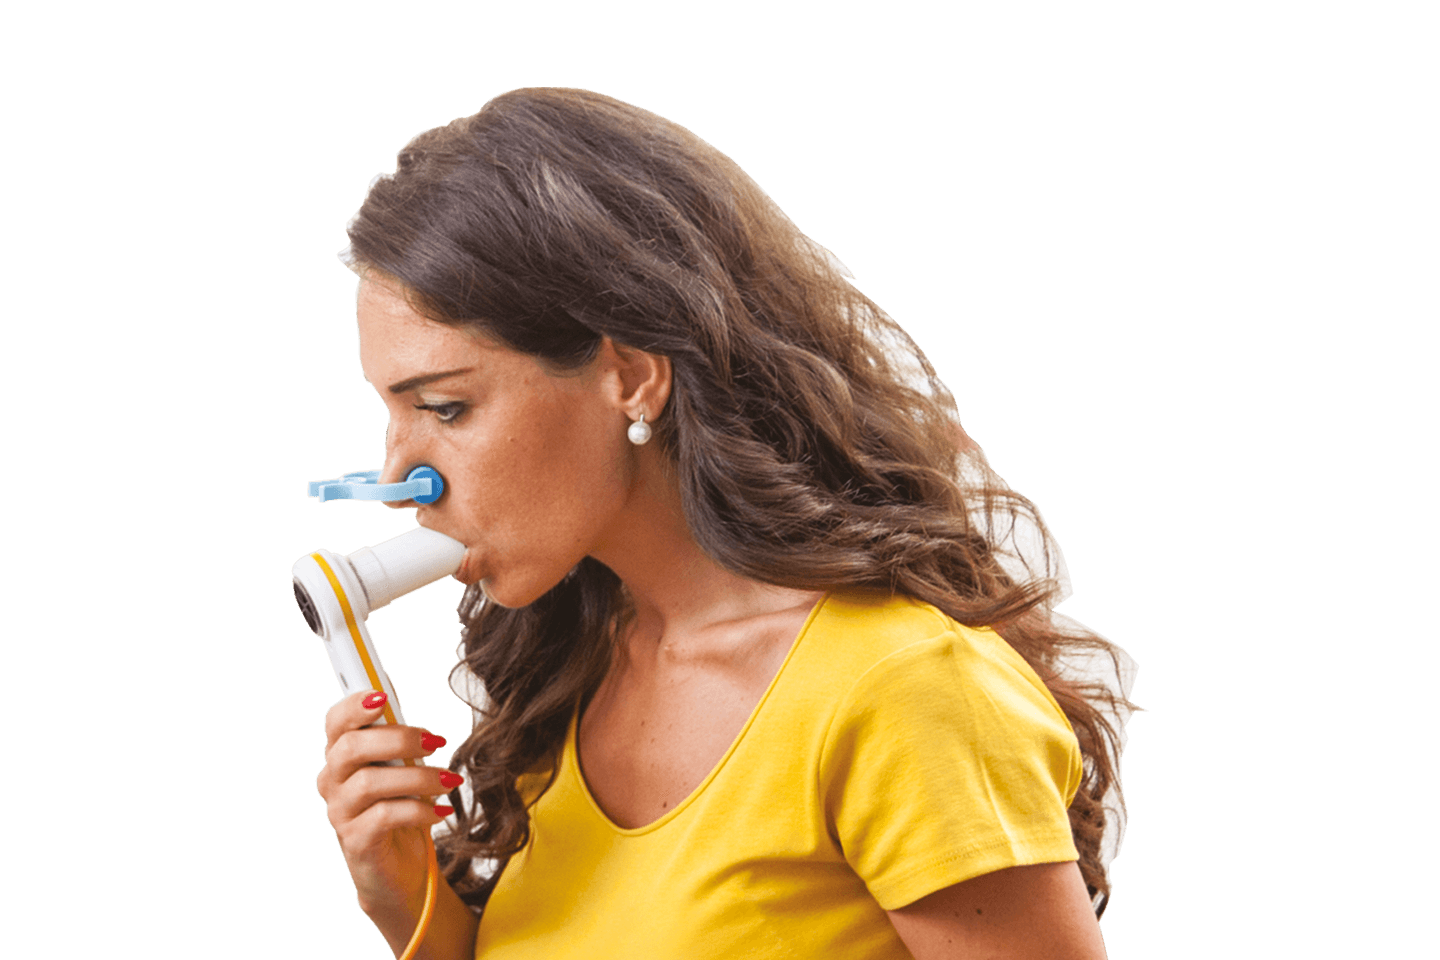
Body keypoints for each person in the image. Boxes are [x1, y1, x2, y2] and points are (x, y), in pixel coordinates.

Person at [314, 87, 1134, 959]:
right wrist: (413, 901)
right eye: (391, 411)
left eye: (445, 407)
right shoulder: (572, 665)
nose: (397, 477)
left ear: (632, 377)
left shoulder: (904, 693)